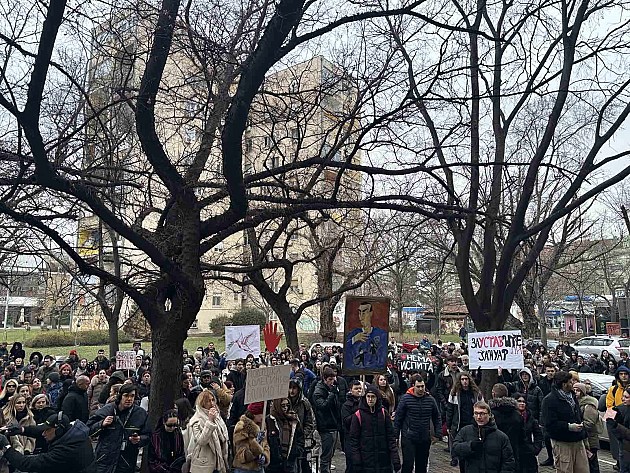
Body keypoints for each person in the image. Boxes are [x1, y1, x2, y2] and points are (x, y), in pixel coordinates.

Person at [87, 383, 151, 473]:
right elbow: (88, 429)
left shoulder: (141, 414)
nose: (129, 399)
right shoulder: (107, 410)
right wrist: (101, 424)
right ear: (120, 396)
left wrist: (139, 439)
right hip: (105, 459)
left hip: (126, 462)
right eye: (126, 396)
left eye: (132, 396)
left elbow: (148, 435)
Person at [0, 412, 94, 473]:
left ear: (59, 430)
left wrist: (6, 446)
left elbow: (27, 464)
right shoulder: (74, 434)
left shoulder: (65, 451)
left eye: (47, 430)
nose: (43, 433)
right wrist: (21, 430)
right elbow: (41, 430)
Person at [540, 370, 588, 473]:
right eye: (570, 382)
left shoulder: (572, 396)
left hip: (578, 441)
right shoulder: (549, 400)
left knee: (583, 469)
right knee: (565, 470)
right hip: (562, 443)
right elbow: (549, 424)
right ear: (564, 384)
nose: (573, 384)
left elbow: (578, 415)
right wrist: (569, 426)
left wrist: (581, 426)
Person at [394, 374, 441, 473]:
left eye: (422, 386)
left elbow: (437, 417)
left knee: (422, 465)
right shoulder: (405, 399)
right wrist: (396, 435)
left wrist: (438, 434)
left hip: (424, 437)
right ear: (413, 386)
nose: (421, 389)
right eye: (418, 386)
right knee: (408, 465)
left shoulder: (430, 400)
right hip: (409, 437)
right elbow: (398, 418)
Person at [348, 385, 400, 473]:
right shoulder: (358, 415)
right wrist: (356, 460)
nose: (370, 399)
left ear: (377, 398)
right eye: (368, 396)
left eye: (373, 397)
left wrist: (395, 459)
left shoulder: (383, 413)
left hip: (383, 460)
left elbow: (391, 437)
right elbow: (354, 440)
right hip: (366, 460)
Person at [452, 400, 516, 473]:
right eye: (476, 413)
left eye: (482, 414)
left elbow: (508, 462)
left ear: (489, 414)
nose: (479, 417)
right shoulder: (465, 431)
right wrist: (470, 446)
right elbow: (455, 449)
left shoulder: (501, 437)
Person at [185, 389, 229, 473]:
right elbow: (201, 441)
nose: (212, 403)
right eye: (208, 401)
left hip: (218, 460)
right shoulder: (196, 420)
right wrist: (209, 421)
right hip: (204, 464)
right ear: (202, 403)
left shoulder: (217, 415)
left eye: (213, 400)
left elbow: (223, 437)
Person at [447, 372, 483, 469]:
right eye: (462, 379)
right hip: (459, 424)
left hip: (472, 424)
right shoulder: (454, 394)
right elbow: (450, 410)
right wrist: (449, 425)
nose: (464, 382)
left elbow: (482, 406)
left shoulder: (476, 393)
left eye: (466, 379)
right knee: (460, 447)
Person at [489, 384, 525, 470]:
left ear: (493, 394)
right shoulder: (517, 414)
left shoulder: (491, 415)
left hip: (494, 451)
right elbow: (522, 435)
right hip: (513, 450)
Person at [312, 367, 341, 473]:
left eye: (333, 379)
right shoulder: (319, 391)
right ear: (324, 379)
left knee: (330, 454)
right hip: (325, 426)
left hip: (333, 424)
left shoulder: (330, 388)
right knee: (326, 455)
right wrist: (332, 394)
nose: (332, 382)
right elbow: (322, 406)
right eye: (330, 379)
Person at [345, 301, 388, 371]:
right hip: (356, 372)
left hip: (373, 372)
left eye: (364, 312)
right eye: (359, 312)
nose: (361, 316)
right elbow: (345, 352)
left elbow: (382, 358)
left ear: (370, 313)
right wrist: (354, 339)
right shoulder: (353, 334)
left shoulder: (381, 334)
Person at [266, 398, 304, 473]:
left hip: (290, 462)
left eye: (287, 405)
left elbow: (300, 438)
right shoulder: (269, 420)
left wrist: (296, 451)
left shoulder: (293, 419)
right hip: (273, 464)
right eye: (283, 406)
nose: (285, 408)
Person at [232, 402, 271, 473]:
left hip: (259, 468)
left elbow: (266, 445)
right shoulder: (242, 427)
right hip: (245, 470)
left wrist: (265, 456)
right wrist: (256, 442)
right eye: (261, 414)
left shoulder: (262, 425)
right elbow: (242, 456)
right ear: (254, 414)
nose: (263, 416)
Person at [573, 382, 602, 473]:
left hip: (590, 439)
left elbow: (590, 423)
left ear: (582, 392)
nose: (575, 392)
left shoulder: (588, 405)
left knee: (592, 463)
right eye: (574, 390)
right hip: (583, 439)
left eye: (578, 390)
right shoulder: (576, 403)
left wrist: (578, 425)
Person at [513, 393, 543, 473]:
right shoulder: (511, 417)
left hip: (528, 453)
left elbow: (538, 434)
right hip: (515, 453)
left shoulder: (531, 418)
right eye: (519, 401)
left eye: (524, 401)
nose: (522, 403)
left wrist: (536, 448)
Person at [608, 365, 630, 468]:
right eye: (621, 374)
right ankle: (619, 463)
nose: (624, 376)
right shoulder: (614, 389)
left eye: (625, 374)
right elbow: (609, 405)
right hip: (619, 420)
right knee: (620, 448)